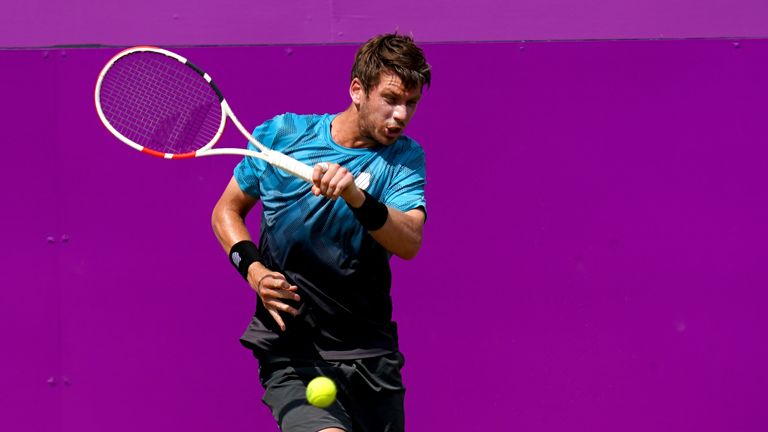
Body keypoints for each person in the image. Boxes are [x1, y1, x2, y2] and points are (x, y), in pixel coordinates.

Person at [211, 33, 431, 432]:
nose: (401, 115)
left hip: (371, 354)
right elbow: (226, 210)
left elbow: (409, 240)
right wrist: (254, 272)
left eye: (411, 103)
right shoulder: (282, 136)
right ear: (357, 90)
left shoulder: (404, 159)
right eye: (391, 99)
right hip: (294, 353)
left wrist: (356, 196)